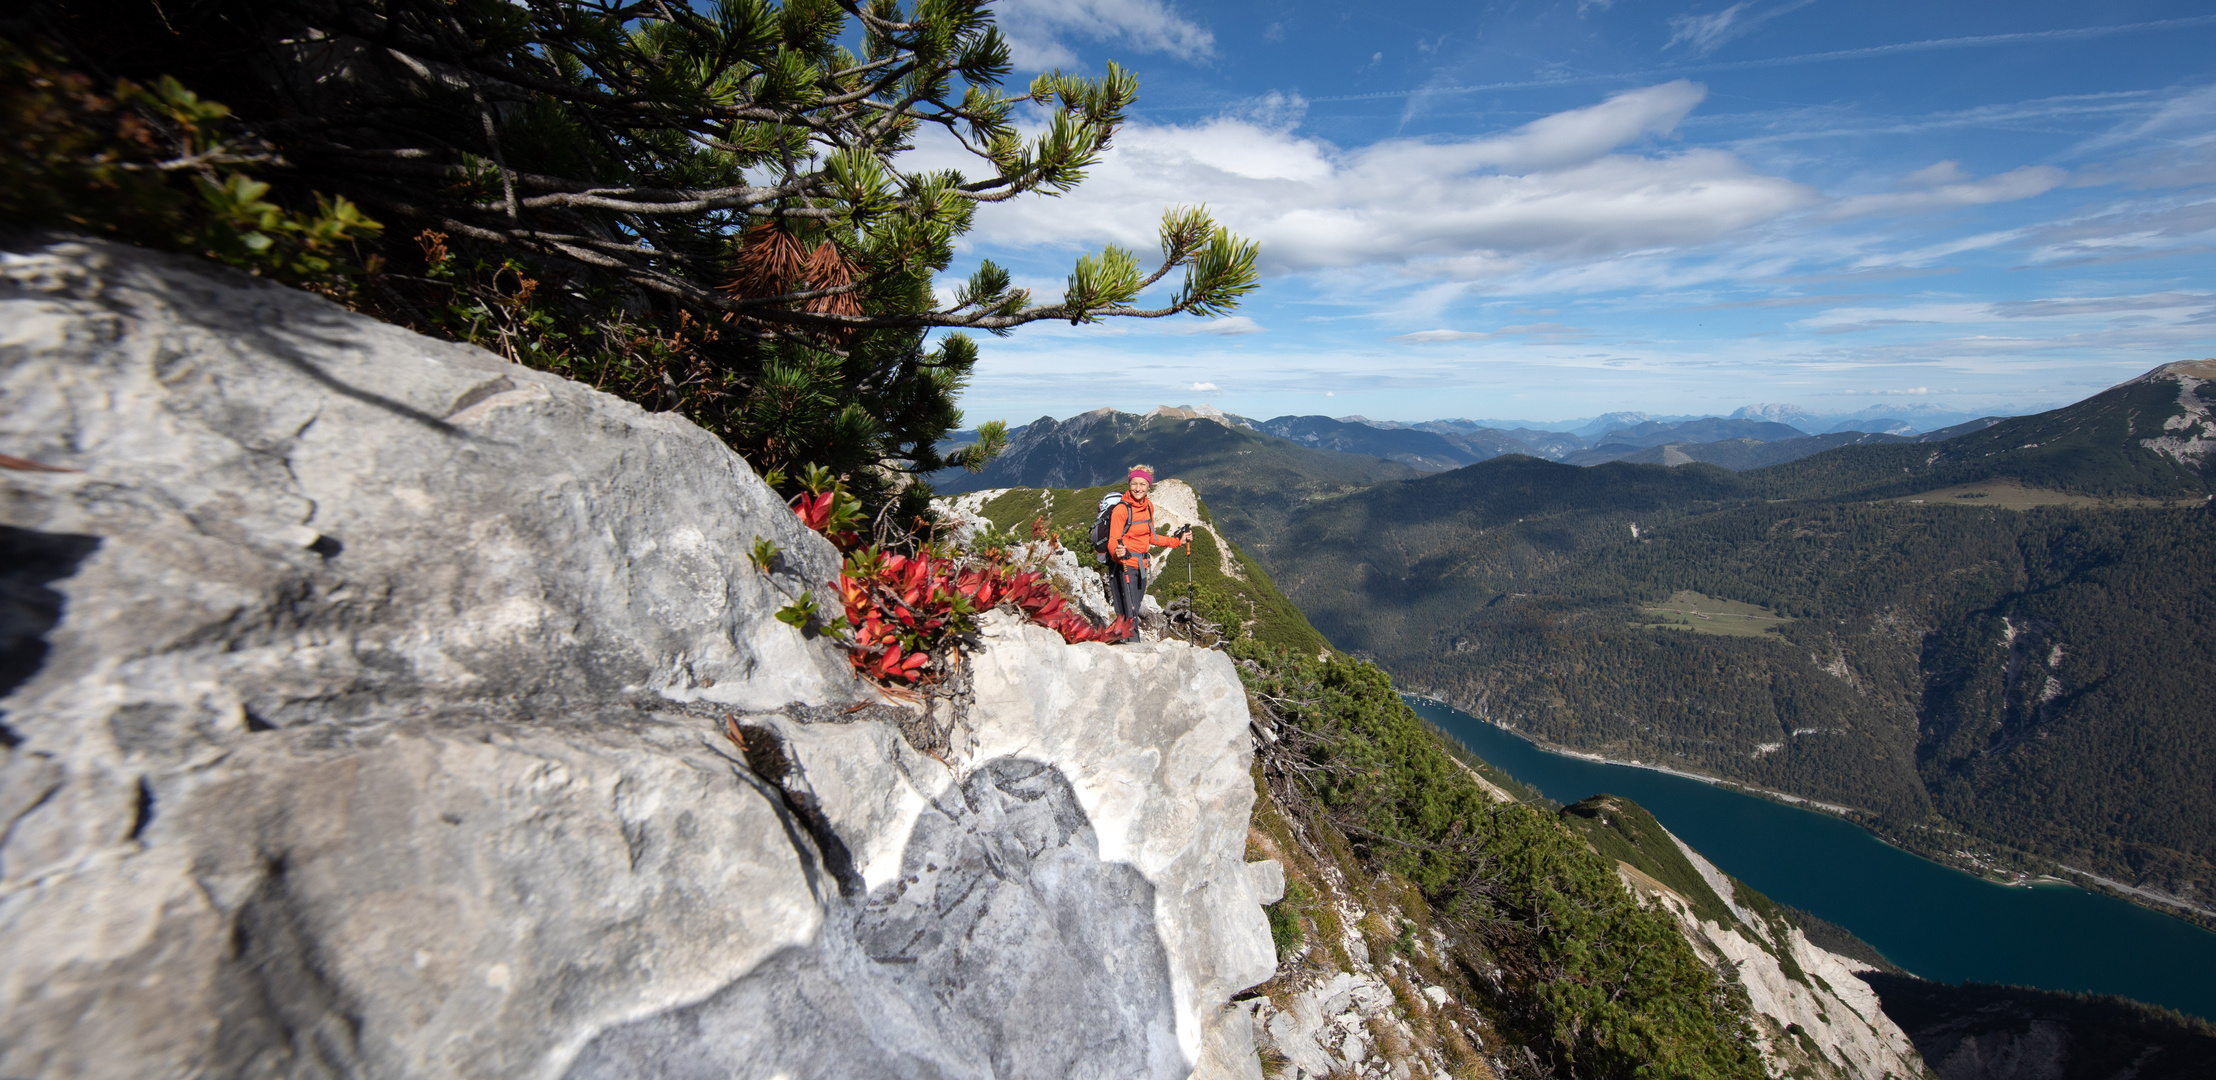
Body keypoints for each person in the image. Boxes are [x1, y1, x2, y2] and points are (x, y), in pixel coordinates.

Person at [1105, 466, 1188, 634]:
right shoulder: (1122, 509)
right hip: (1125, 565)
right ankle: (1131, 646)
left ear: (1148, 485)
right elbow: (1112, 540)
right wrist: (1117, 552)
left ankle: (1118, 640)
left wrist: (1178, 541)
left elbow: (1152, 537)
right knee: (1130, 614)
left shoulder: (1149, 507)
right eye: (1134, 483)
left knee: (1133, 610)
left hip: (1142, 566)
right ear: (1129, 484)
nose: (1138, 488)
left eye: (1142, 484)